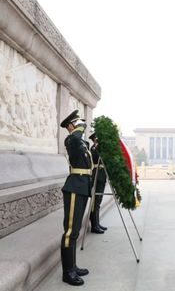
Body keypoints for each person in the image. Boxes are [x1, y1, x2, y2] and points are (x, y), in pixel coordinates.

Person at [60, 110, 92, 286]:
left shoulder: (80, 142)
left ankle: (73, 265)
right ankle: (67, 272)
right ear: (71, 126)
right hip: (74, 188)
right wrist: (78, 128)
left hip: (82, 187)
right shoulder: (71, 140)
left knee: (76, 230)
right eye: (78, 123)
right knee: (70, 231)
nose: (82, 125)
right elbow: (75, 139)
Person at [89, 132, 108, 233]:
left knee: (98, 201)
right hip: (97, 175)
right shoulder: (94, 148)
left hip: (101, 175)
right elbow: (97, 157)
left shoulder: (97, 148)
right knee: (95, 202)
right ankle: (94, 225)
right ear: (95, 139)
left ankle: (97, 223)